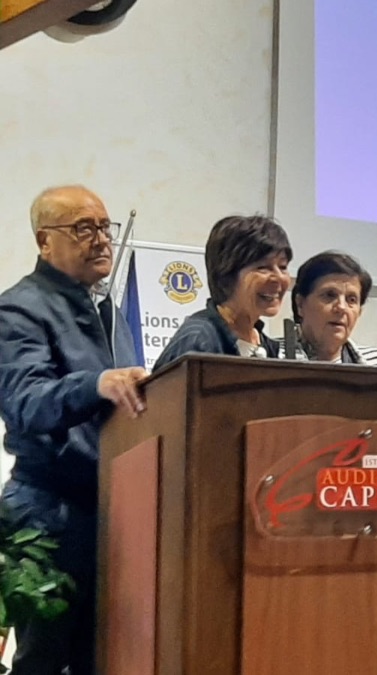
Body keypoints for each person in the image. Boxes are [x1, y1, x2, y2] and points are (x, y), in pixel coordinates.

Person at [0, 185, 146, 675]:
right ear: (45, 241)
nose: (101, 239)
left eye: (105, 227)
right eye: (84, 229)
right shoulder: (18, 310)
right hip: (48, 514)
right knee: (44, 662)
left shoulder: (106, 311)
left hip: (111, 512)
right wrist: (97, 383)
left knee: (103, 658)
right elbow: (25, 401)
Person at [155, 215, 291, 370]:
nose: (279, 278)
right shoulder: (197, 341)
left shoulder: (264, 343)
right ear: (227, 275)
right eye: (263, 267)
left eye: (283, 267)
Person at [290, 251, 377, 365]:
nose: (341, 307)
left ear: (359, 311)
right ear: (300, 304)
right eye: (329, 295)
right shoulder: (274, 355)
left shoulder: (373, 362)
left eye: (351, 300)